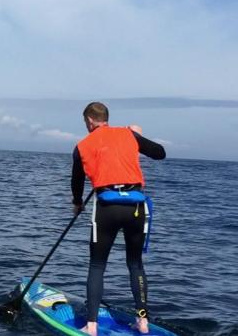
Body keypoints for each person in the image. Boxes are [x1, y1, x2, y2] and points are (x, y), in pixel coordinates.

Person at [70, 102, 166, 336]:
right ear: (106, 119)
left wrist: (77, 203)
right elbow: (160, 153)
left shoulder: (82, 145)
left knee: (97, 265)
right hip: (135, 207)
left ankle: (91, 326)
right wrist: (135, 136)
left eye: (86, 123)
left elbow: (77, 181)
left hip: (107, 208)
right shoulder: (128, 134)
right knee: (135, 265)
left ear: (90, 121)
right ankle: (142, 322)